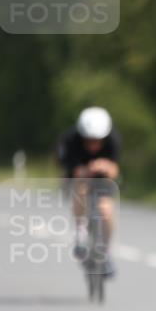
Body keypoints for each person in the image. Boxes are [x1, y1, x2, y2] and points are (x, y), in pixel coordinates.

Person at [56, 107, 121, 277]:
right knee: (81, 189)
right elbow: (72, 170)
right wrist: (87, 170)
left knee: (106, 210)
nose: (93, 145)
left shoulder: (113, 140)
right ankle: (80, 232)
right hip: (78, 175)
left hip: (102, 178)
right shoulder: (69, 141)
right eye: (89, 140)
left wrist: (105, 167)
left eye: (97, 140)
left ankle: (105, 252)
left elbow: (115, 169)